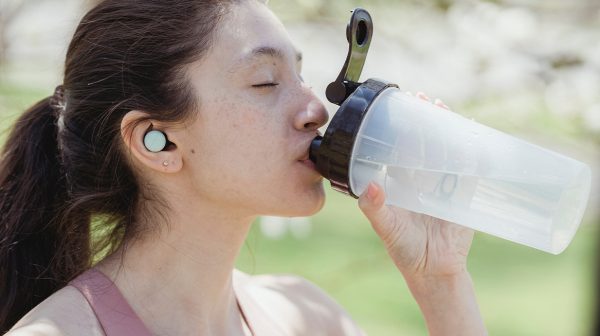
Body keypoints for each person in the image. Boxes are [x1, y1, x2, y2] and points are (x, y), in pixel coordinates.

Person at [0, 0, 487, 335]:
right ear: (158, 141)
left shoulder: (309, 318)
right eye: (264, 82)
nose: (315, 108)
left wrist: (440, 282)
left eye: (301, 75)